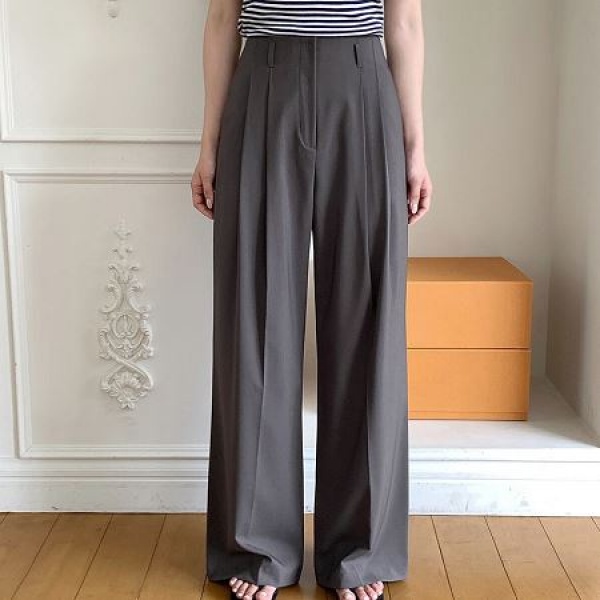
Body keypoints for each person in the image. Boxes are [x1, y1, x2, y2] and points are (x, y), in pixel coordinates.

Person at [191, 1, 432, 600]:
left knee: (366, 320)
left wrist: (415, 146)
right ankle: (258, 545)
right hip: (263, 83)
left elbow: (404, 22)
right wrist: (209, 142)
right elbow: (222, 21)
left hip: (362, 85)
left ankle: (358, 550)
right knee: (255, 319)